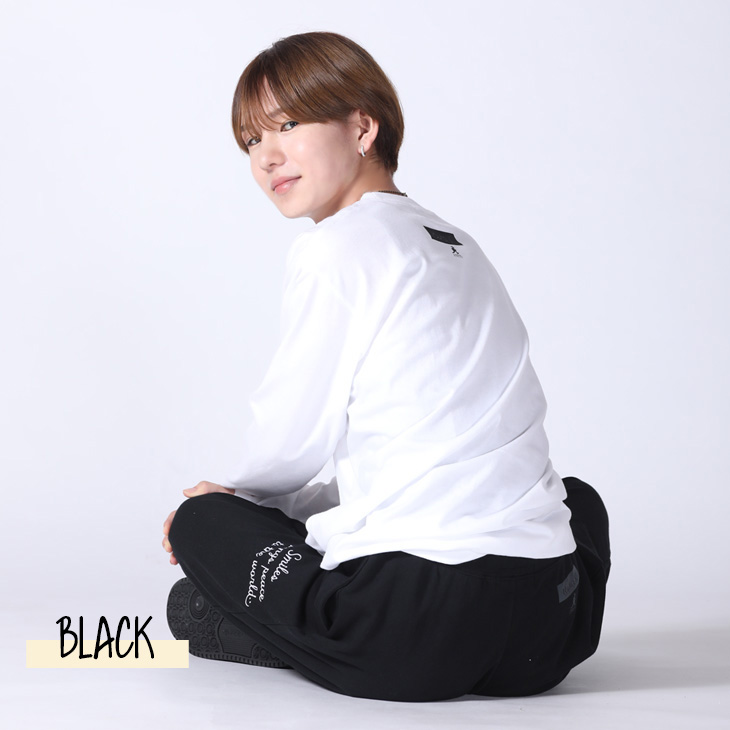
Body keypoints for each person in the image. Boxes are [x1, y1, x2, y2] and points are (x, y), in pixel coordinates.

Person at [162, 31, 610, 702]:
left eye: (287, 125)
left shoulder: (338, 247)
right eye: (251, 140)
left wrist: (225, 503)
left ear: (362, 128)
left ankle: (296, 637)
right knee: (577, 498)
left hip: (418, 630)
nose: (266, 156)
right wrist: (278, 506)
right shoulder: (459, 244)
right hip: (549, 630)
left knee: (202, 524)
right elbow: (415, 457)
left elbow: (290, 441)